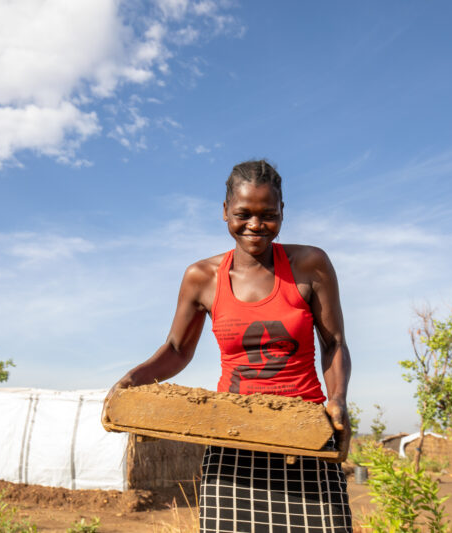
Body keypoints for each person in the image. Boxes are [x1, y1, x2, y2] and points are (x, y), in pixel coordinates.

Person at [106, 160, 352, 532]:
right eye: (244, 214)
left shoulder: (310, 265)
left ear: (283, 213)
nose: (255, 225)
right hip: (232, 438)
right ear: (225, 212)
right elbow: (176, 348)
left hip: (304, 435)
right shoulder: (202, 277)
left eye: (268, 214)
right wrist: (132, 380)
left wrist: (337, 399)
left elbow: (333, 343)